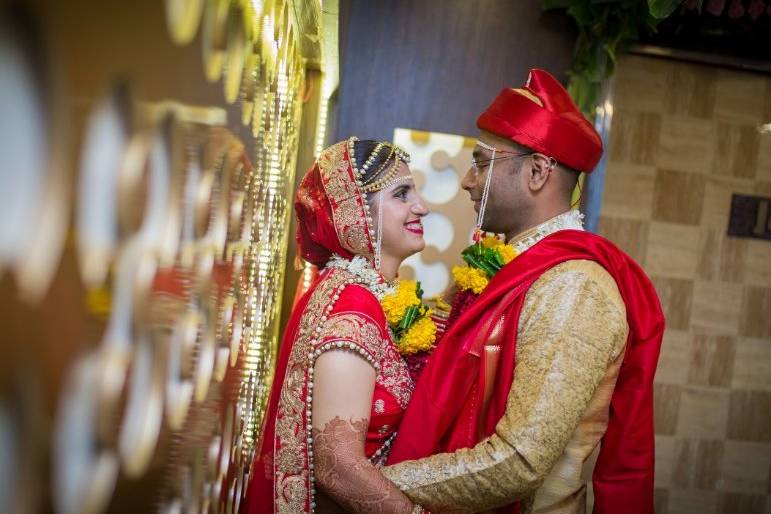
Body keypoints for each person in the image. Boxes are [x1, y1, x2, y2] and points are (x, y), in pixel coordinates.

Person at [381, 69, 665, 514]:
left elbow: (520, 459)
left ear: (537, 172)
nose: (467, 181)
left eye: (481, 162)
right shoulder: (516, 268)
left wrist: (372, 485)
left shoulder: (575, 287)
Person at [243, 137, 430, 513]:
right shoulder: (352, 305)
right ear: (357, 212)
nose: (421, 207)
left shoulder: (370, 296)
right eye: (401, 194)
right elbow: (338, 467)